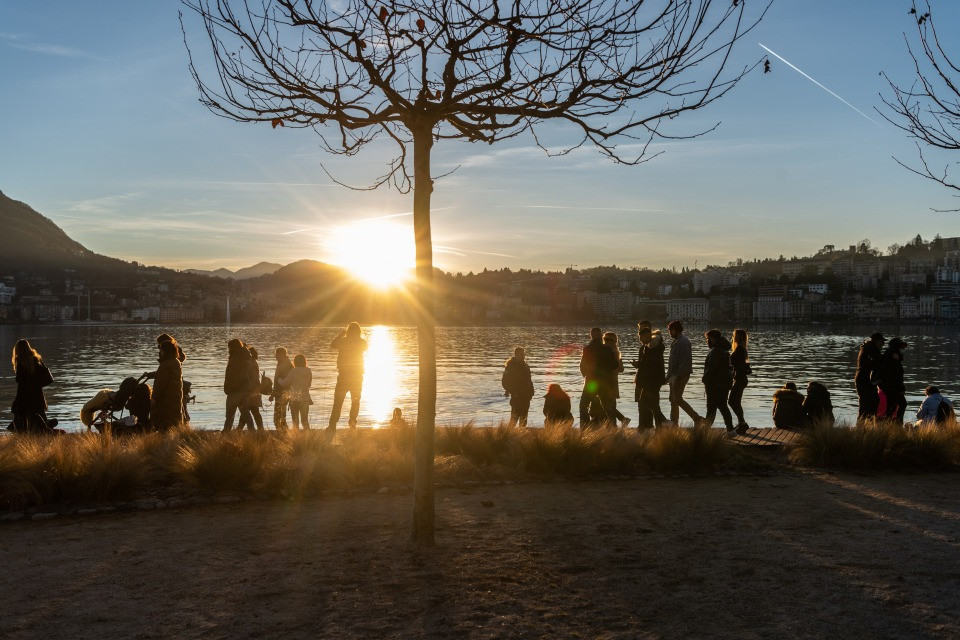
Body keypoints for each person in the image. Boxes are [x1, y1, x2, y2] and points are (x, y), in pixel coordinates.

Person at [10, 338, 56, 433]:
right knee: (39, 411)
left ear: (17, 349)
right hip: (37, 392)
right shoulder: (37, 359)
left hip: (24, 393)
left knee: (21, 413)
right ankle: (46, 426)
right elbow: (43, 373)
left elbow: (19, 379)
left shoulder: (20, 361)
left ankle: (24, 430)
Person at [328, 322, 368, 432]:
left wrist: (341, 334)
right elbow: (366, 346)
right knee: (355, 400)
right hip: (357, 376)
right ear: (359, 331)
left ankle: (332, 425)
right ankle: (352, 422)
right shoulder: (361, 342)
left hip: (344, 376)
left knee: (338, 401)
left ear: (348, 330)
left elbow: (332, 345)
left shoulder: (343, 341)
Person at [665, 321, 703, 427]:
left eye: (670, 330)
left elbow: (684, 362)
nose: (669, 333)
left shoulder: (683, 342)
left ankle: (696, 418)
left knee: (677, 398)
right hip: (674, 376)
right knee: (673, 399)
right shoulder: (676, 342)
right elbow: (672, 362)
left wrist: (676, 376)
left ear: (675, 330)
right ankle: (674, 422)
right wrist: (668, 376)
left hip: (680, 376)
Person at [579, 327, 616, 427]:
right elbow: (614, 365)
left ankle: (585, 427)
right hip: (604, 382)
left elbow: (582, 366)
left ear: (591, 336)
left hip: (591, 382)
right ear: (601, 336)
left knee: (583, 405)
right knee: (607, 405)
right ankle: (613, 427)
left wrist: (586, 374)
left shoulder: (587, 349)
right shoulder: (607, 349)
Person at [633, 325, 668, 430]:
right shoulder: (650, 346)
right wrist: (639, 364)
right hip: (651, 379)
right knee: (651, 403)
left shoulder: (653, 347)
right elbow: (647, 363)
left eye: (641, 337)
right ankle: (661, 425)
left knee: (647, 403)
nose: (640, 340)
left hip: (652, 380)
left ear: (647, 335)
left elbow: (651, 364)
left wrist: (641, 364)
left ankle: (664, 423)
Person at [701, 329, 735, 436]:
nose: (707, 341)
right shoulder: (723, 349)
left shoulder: (715, 351)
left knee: (711, 408)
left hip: (715, 385)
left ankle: (704, 433)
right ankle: (730, 430)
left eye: (708, 339)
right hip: (724, 384)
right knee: (723, 406)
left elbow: (712, 368)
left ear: (712, 338)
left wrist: (705, 379)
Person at [150, 339, 184, 431]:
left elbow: (161, 384)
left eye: (161, 350)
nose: (160, 352)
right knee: (173, 424)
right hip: (174, 399)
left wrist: (154, 398)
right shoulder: (176, 362)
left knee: (164, 425)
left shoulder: (165, 365)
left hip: (165, 401)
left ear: (165, 351)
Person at [222, 338, 255, 432]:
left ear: (233, 347)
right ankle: (253, 431)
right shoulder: (245, 357)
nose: (228, 349)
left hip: (235, 390)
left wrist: (231, 387)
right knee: (245, 413)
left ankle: (226, 432)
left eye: (229, 347)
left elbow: (233, 375)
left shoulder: (236, 359)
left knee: (230, 413)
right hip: (243, 389)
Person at [877, 337, 908, 424]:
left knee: (892, 406)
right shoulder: (892, 359)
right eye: (900, 347)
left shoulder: (889, 355)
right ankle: (897, 424)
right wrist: (901, 388)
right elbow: (895, 376)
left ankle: (890, 424)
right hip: (892, 387)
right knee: (901, 404)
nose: (901, 350)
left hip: (887, 386)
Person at [602, 332, 631, 428]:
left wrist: (615, 366)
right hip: (609, 381)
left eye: (611, 340)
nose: (608, 342)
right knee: (609, 405)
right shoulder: (613, 351)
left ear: (615, 341)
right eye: (606, 339)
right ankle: (616, 423)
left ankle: (620, 421)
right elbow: (621, 369)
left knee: (607, 405)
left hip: (610, 381)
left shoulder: (614, 352)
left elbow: (621, 369)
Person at [501, 346, 535, 427]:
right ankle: (509, 434)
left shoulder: (526, 366)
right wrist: (513, 392)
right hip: (516, 397)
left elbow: (529, 381)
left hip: (526, 396)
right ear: (516, 355)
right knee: (514, 419)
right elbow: (505, 382)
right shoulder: (510, 366)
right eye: (521, 354)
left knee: (524, 420)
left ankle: (521, 434)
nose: (523, 356)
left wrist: (531, 392)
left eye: (523, 354)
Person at [855, 332, 885, 422]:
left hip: (866, 380)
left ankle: (867, 423)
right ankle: (862, 424)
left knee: (873, 401)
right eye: (882, 342)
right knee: (866, 403)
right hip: (864, 380)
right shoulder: (871, 348)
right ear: (877, 341)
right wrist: (888, 356)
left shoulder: (868, 347)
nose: (882, 345)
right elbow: (878, 360)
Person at [282, 353, 313, 430]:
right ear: (304, 362)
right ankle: (308, 434)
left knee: (295, 421)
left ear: (295, 362)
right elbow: (309, 385)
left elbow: (285, 383)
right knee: (305, 420)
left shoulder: (293, 371)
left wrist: (279, 379)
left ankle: (296, 435)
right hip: (305, 398)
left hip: (294, 399)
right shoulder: (308, 371)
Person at [238, 346, 265, 431]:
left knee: (249, 410)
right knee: (251, 410)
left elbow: (252, 378)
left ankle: (240, 429)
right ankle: (260, 428)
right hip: (255, 390)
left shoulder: (251, 364)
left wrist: (247, 390)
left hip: (252, 391)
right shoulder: (254, 363)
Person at [729, 329, 751, 435]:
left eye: (735, 336)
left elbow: (738, 364)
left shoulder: (739, 349)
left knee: (732, 401)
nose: (733, 338)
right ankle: (741, 423)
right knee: (736, 402)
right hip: (740, 379)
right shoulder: (742, 349)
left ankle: (742, 423)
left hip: (740, 379)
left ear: (739, 337)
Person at [271, 347, 294, 430]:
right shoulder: (287, 364)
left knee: (278, 415)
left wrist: (274, 393)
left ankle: (282, 431)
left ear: (281, 355)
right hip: (285, 393)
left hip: (281, 393)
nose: (276, 356)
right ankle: (284, 431)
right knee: (281, 414)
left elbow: (281, 381)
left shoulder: (283, 365)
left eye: (277, 354)